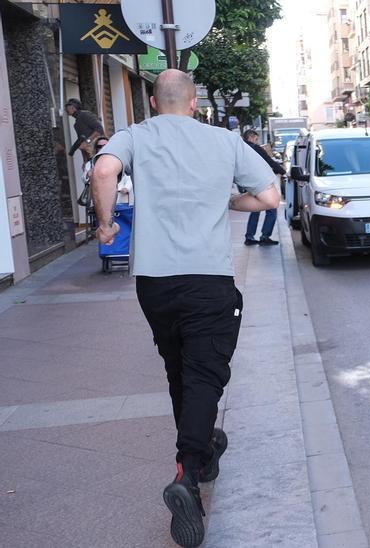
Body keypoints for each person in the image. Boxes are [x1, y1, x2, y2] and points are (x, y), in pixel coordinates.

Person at [91, 69, 280, 548]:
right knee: (205, 375)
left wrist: (107, 224)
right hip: (208, 279)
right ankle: (187, 474)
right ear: (195, 103)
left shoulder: (133, 134)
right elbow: (269, 196)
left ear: (153, 102)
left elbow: (103, 171)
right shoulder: (225, 141)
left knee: (181, 370)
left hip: (154, 283)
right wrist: (227, 201)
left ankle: (204, 447)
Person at [241, 129, 287, 245]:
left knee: (255, 210)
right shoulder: (256, 148)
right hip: (261, 182)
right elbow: (269, 161)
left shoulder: (241, 149)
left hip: (249, 183)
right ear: (250, 137)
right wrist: (283, 171)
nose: (257, 142)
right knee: (272, 208)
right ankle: (265, 236)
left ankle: (249, 236)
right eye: (256, 139)